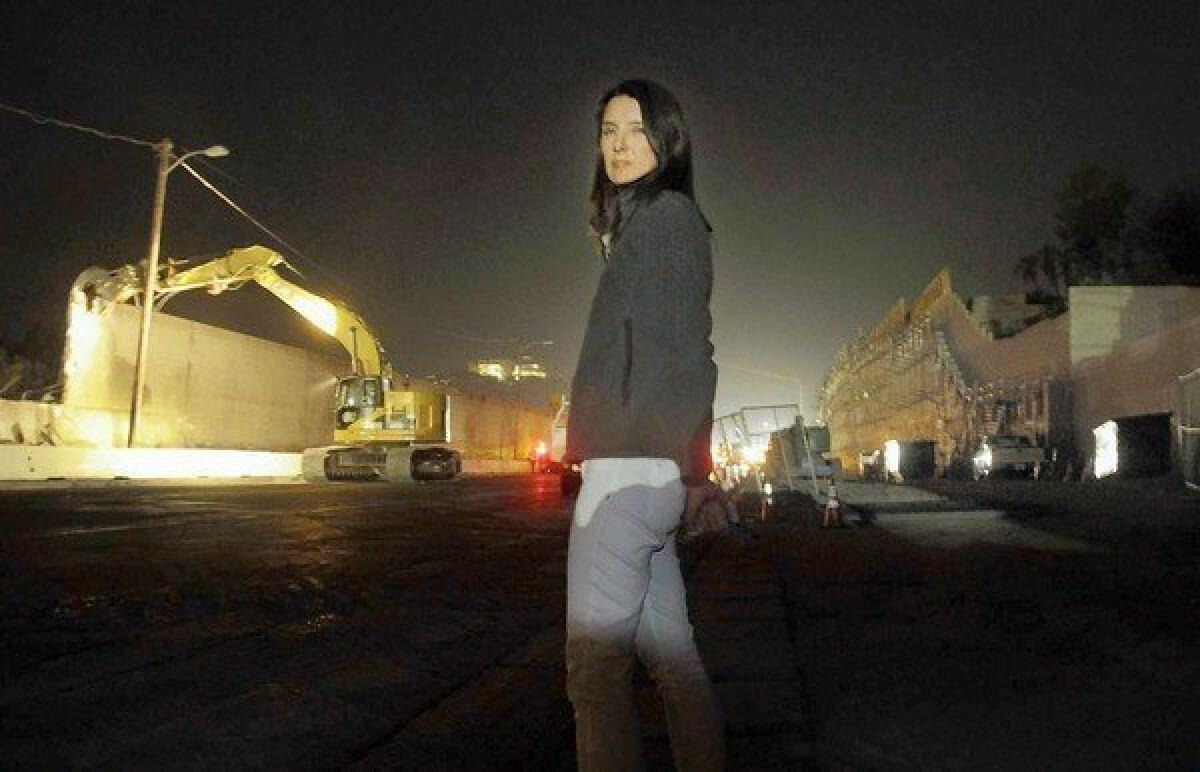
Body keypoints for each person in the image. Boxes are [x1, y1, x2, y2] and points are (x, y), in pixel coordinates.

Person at [563, 78, 728, 771]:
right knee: (674, 662)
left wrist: (694, 466)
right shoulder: (645, 225)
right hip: (648, 474)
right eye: (608, 131)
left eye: (635, 129)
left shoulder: (666, 222)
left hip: (629, 471)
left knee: (595, 674)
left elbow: (691, 352)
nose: (619, 144)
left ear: (668, 138)